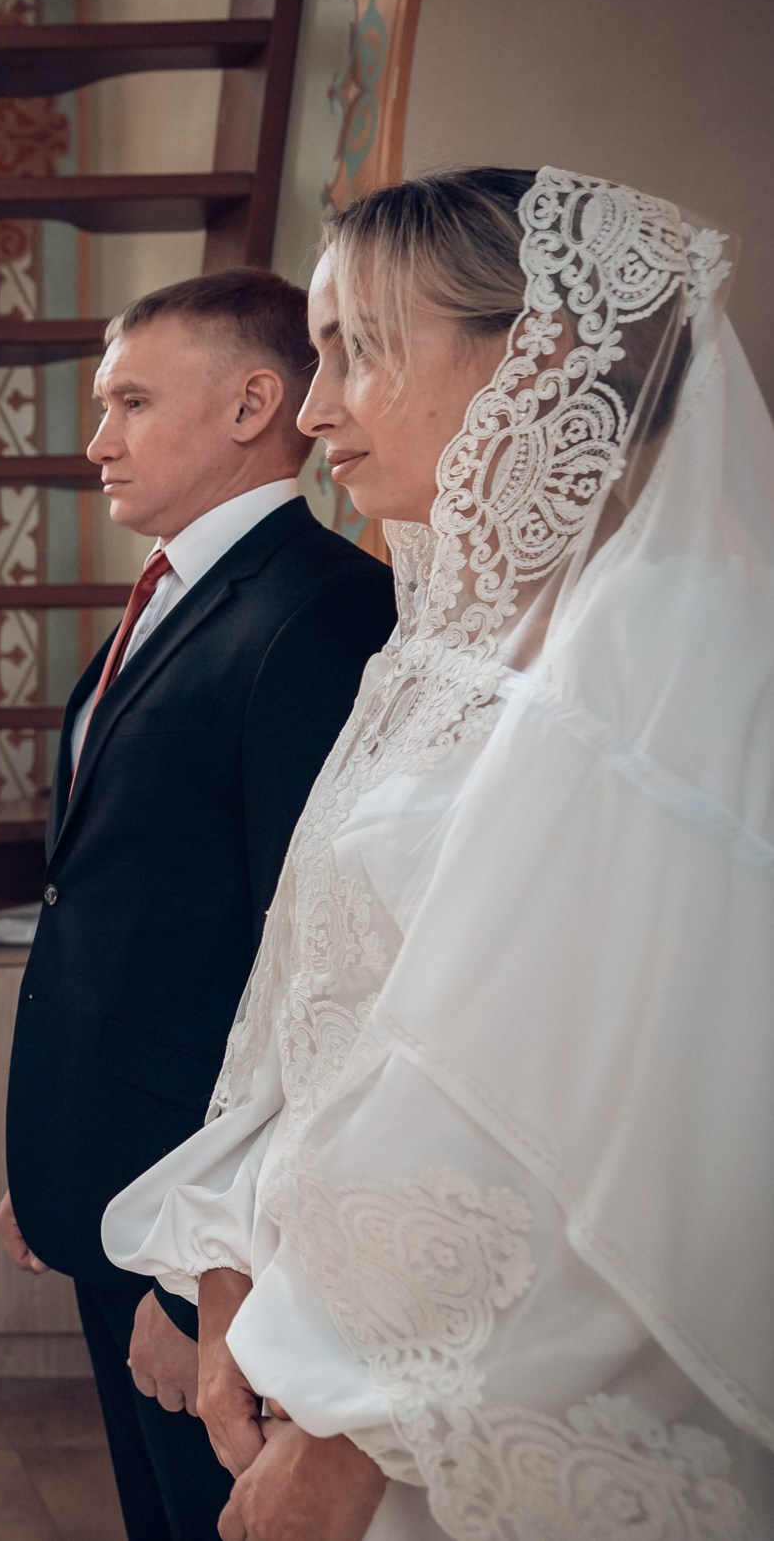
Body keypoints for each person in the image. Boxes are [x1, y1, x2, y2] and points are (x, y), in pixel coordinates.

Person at [105, 168, 771, 1540]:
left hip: (467, 1407)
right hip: (327, 1340)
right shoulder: (442, 646)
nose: (314, 407)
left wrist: (356, 1433)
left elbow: (613, 1118)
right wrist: (224, 1258)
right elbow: (319, 1000)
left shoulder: (671, 653)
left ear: (543, 354)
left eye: (359, 348)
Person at [0, 268, 396, 1539]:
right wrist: (53, 1156)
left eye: (129, 402)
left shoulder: (320, 613)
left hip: (202, 1231)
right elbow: (114, 906)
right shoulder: (174, 594)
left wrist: (200, 1284)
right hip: (117, 1177)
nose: (97, 440)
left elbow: (307, 970)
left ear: (251, 405)